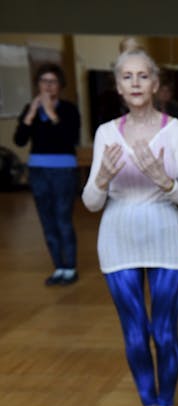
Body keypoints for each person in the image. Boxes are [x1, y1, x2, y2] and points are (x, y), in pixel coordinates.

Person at [82, 40, 178, 406]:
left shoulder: (177, 132)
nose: (135, 83)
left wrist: (162, 178)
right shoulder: (104, 133)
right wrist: (100, 179)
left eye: (143, 75)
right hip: (117, 241)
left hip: (167, 239)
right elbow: (91, 203)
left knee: (163, 330)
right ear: (118, 86)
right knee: (134, 332)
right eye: (126, 76)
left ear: (155, 84)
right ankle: (147, 404)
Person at [13, 63, 82, 286]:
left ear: (60, 85)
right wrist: (32, 113)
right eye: (43, 82)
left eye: (52, 82)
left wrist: (51, 112)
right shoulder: (29, 109)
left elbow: (69, 137)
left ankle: (70, 267)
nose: (47, 86)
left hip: (63, 169)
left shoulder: (69, 109)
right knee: (46, 220)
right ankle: (58, 267)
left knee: (63, 218)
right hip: (37, 170)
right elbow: (20, 140)